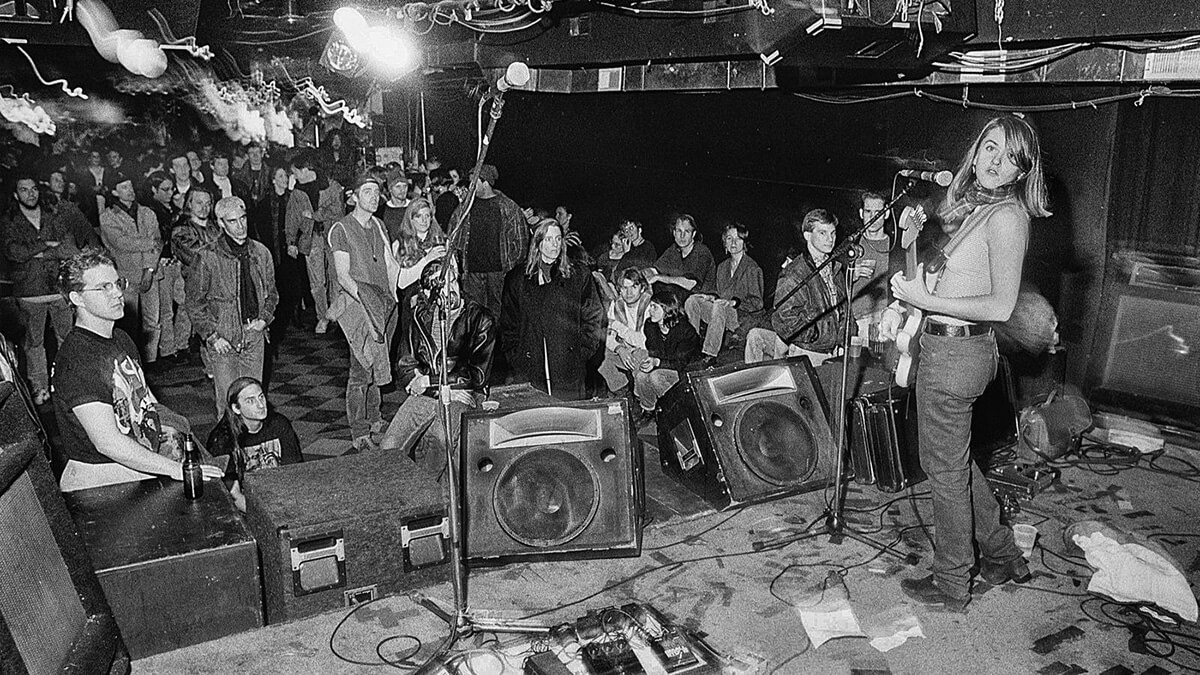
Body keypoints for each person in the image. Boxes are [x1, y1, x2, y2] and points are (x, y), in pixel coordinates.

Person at [885, 115, 1051, 612]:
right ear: (976, 150)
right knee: (951, 462)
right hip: (946, 348)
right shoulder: (977, 210)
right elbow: (930, 285)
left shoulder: (1007, 217)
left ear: (1023, 171)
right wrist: (908, 240)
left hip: (958, 353)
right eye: (990, 149)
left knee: (943, 473)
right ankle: (1002, 554)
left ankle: (953, 582)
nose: (994, 163)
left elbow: (1000, 306)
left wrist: (925, 300)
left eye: (1009, 159)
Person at [52, 249, 224, 492]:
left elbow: (145, 402)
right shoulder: (78, 360)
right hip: (103, 481)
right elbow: (108, 443)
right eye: (104, 287)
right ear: (77, 298)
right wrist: (176, 469)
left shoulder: (120, 338)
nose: (117, 293)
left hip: (138, 461)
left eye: (117, 283)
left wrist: (180, 433)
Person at [380, 258, 495, 480]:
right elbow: (405, 362)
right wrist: (422, 381)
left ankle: (423, 501)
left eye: (452, 281)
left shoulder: (480, 318)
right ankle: (393, 499)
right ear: (426, 291)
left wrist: (428, 381)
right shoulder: (419, 316)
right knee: (389, 447)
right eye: (439, 284)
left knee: (439, 443)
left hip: (461, 394)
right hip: (431, 392)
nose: (448, 288)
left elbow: (477, 375)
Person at [328, 175, 401, 452]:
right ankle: (359, 430)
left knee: (378, 362)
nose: (373, 196)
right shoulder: (341, 229)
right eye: (366, 191)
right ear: (353, 196)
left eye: (376, 192)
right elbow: (343, 276)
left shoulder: (379, 226)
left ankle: (375, 418)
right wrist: (368, 304)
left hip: (383, 305)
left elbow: (389, 265)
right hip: (358, 307)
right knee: (360, 369)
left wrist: (392, 297)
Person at [186, 197, 278, 418]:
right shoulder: (207, 256)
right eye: (233, 221)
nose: (240, 226)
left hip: (254, 336)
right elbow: (194, 302)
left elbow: (272, 294)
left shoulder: (261, 252)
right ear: (221, 223)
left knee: (253, 402)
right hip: (223, 341)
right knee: (228, 403)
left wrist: (264, 320)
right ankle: (229, 451)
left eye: (243, 219)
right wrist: (212, 336)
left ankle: (252, 450)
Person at [1, 173, 84, 404]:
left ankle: (68, 384)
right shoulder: (9, 222)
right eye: (24, 190)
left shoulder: (52, 216)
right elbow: (13, 252)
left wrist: (37, 252)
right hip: (30, 292)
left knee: (68, 338)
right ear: (16, 194)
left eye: (34, 189)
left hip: (58, 289)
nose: (31, 193)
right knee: (34, 344)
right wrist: (47, 244)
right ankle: (40, 388)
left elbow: (70, 249)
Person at [500, 218, 604, 401]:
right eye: (548, 239)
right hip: (530, 366)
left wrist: (582, 352)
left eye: (558, 239)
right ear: (537, 243)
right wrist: (516, 357)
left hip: (568, 367)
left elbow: (594, 317)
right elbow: (509, 323)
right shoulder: (517, 279)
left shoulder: (578, 274)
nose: (554, 245)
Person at [744, 209, 845, 367]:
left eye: (833, 233)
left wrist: (843, 340)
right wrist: (815, 336)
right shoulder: (794, 273)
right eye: (822, 233)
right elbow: (784, 318)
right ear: (807, 235)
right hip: (809, 352)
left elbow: (844, 309)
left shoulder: (835, 268)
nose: (830, 239)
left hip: (833, 352)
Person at [206, 377, 304, 511]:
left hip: (279, 497)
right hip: (245, 507)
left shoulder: (279, 425)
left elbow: (293, 472)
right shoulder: (223, 439)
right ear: (236, 408)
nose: (260, 405)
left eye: (261, 397)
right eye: (251, 401)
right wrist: (263, 517)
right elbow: (234, 495)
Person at [99, 174, 165, 370]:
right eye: (124, 187)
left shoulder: (147, 213)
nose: (130, 190)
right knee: (128, 322)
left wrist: (149, 269)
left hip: (150, 274)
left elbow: (158, 242)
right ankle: (131, 363)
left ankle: (151, 361)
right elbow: (120, 243)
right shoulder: (108, 217)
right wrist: (149, 243)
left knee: (153, 320)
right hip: (125, 275)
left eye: (130, 186)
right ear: (114, 192)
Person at [453, 164, 528, 320]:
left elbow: (521, 243)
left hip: (498, 275)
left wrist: (509, 268)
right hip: (472, 273)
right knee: (474, 318)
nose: (470, 186)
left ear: (485, 182)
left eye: (474, 182)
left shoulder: (508, 207)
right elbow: (453, 234)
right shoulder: (465, 207)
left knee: (499, 317)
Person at [684, 222, 764, 366]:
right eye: (729, 238)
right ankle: (691, 347)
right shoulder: (722, 267)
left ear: (744, 242)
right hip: (721, 314)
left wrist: (734, 302)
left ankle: (710, 354)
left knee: (719, 306)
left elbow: (757, 303)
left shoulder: (752, 268)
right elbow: (719, 294)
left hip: (742, 317)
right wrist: (710, 297)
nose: (733, 243)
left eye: (738, 239)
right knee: (693, 300)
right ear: (724, 242)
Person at [286, 151, 346, 335]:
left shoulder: (332, 187)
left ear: (306, 170)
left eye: (296, 172)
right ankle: (323, 316)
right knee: (317, 282)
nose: (293, 176)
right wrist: (291, 241)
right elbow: (292, 217)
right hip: (311, 239)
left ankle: (335, 315)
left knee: (336, 278)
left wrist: (314, 215)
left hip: (333, 237)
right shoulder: (297, 192)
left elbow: (338, 211)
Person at [633, 289, 701, 427]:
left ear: (667, 310)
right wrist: (650, 362)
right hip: (664, 365)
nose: (650, 310)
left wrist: (657, 362)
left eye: (654, 307)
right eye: (650, 306)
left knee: (656, 377)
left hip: (684, 372)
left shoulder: (685, 331)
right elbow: (653, 351)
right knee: (641, 375)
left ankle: (674, 410)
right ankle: (649, 410)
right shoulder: (650, 325)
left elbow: (681, 363)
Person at [596, 267, 653, 397]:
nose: (629, 292)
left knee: (641, 358)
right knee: (595, 352)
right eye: (624, 288)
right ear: (619, 290)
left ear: (642, 288)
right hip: (625, 350)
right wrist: (619, 348)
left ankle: (642, 400)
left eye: (633, 287)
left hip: (646, 352)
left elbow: (644, 341)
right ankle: (622, 389)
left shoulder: (650, 305)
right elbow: (606, 334)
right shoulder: (617, 305)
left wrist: (617, 326)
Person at [850, 190, 896, 329]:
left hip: (883, 319)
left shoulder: (894, 246)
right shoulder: (851, 244)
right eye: (868, 211)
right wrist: (853, 274)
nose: (872, 217)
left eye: (878, 212)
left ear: (886, 213)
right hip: (854, 319)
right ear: (861, 213)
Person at [645, 214, 714, 298]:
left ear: (693, 234)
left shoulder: (702, 252)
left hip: (700, 300)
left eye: (687, 231)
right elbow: (655, 270)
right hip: (679, 298)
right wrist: (641, 274)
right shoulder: (673, 250)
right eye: (679, 231)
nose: (682, 236)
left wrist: (659, 278)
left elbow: (690, 284)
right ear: (674, 233)